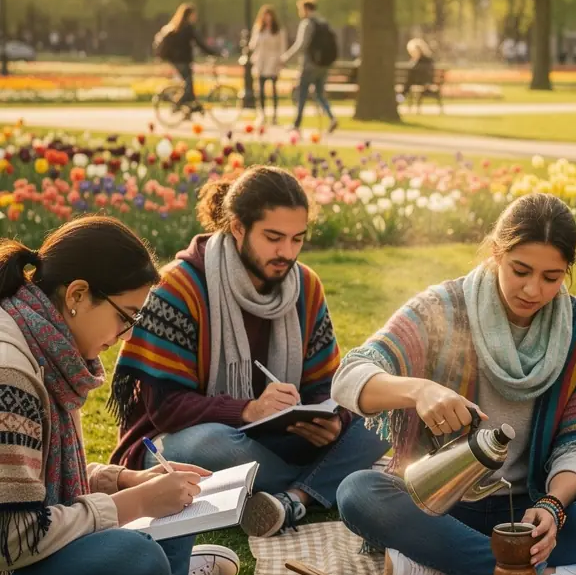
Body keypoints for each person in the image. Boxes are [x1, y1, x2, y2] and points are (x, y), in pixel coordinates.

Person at [334, 194, 576, 575]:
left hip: (529, 513)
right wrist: (420, 390)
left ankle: (436, 562)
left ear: (567, 272)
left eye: (552, 277)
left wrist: (554, 505)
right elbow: (349, 376)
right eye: (520, 270)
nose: (533, 290)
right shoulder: (441, 309)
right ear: (496, 252)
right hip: (441, 507)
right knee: (358, 492)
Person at [0, 219, 237, 575]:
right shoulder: (11, 373)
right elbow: (13, 538)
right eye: (125, 317)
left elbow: (29, 478)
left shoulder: (41, 344)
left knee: (177, 506)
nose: (126, 336)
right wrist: (134, 504)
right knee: (137, 561)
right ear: (77, 295)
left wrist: (125, 481)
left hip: (27, 559)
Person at [110, 166, 388, 537]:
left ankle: (294, 497)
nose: (286, 252)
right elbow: (166, 408)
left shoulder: (306, 287)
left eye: (297, 239)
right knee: (211, 444)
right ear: (237, 227)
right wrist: (248, 410)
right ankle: (335, 478)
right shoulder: (179, 287)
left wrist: (331, 422)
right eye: (273, 238)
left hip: (281, 440)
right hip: (180, 443)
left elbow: (326, 386)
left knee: (385, 415)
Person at [281, 0, 337, 133]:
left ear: (305, 9)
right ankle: (332, 118)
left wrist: (286, 57)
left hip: (309, 65)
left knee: (301, 93)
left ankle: (297, 124)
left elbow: (301, 44)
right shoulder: (323, 22)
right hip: (323, 64)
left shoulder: (307, 24)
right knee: (319, 94)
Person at [154, 2, 218, 111]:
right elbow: (200, 44)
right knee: (188, 85)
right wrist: (214, 53)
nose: (195, 17)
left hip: (175, 60)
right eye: (194, 14)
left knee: (189, 85)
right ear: (189, 15)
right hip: (183, 60)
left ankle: (189, 109)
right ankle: (177, 103)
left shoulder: (174, 27)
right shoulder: (187, 28)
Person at [249, 4, 288, 126]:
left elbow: (282, 47)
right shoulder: (258, 28)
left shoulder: (279, 30)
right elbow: (252, 45)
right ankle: (262, 115)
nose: (267, 18)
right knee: (260, 90)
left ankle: (274, 116)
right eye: (265, 15)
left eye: (269, 15)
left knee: (273, 89)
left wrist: (281, 61)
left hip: (273, 62)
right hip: (261, 61)